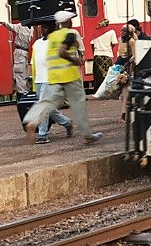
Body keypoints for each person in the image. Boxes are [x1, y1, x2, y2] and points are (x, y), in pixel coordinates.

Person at [23, 11, 102, 146]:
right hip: (69, 76)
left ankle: (32, 121)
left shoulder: (51, 37)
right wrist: (75, 60)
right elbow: (62, 51)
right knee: (78, 105)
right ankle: (87, 136)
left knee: (47, 102)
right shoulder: (70, 34)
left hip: (53, 77)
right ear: (68, 21)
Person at [27, 21, 73, 144]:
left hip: (50, 79)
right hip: (39, 80)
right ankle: (67, 122)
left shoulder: (56, 43)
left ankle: (43, 134)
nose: (44, 30)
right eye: (43, 27)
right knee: (49, 108)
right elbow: (33, 62)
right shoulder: (37, 43)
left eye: (47, 27)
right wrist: (31, 78)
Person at [0, 18, 34, 120]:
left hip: (22, 52)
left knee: (21, 75)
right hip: (22, 52)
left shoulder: (24, 27)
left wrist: (4, 23)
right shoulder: (27, 27)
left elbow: (11, 27)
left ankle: (22, 98)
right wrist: (4, 23)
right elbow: (11, 27)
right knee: (21, 75)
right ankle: (22, 98)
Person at [89, 18, 118, 91]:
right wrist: (109, 48)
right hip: (108, 55)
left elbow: (92, 44)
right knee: (108, 74)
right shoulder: (111, 31)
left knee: (98, 75)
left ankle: (99, 91)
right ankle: (107, 90)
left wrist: (95, 52)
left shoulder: (96, 32)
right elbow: (114, 43)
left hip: (97, 55)